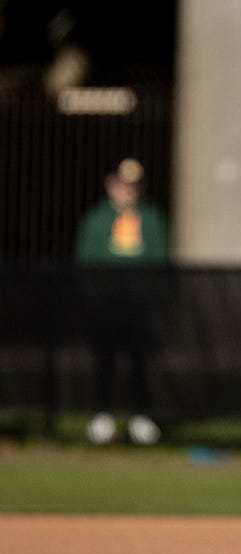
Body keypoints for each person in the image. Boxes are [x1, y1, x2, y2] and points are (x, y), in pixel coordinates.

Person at [74, 157, 168, 446]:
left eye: (134, 185)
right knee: (105, 361)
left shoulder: (150, 218)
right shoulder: (97, 219)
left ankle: (142, 417)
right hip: (105, 305)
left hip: (138, 306)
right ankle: (102, 416)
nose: (128, 190)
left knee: (139, 362)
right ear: (111, 183)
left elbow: (160, 260)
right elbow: (85, 261)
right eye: (123, 183)